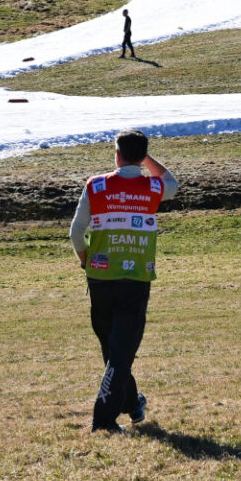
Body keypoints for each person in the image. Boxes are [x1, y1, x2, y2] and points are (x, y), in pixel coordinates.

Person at [72, 129, 175, 434]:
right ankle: (103, 421)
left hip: (100, 278)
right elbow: (173, 182)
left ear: (116, 154)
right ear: (142, 157)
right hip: (135, 278)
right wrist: (147, 160)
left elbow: (76, 233)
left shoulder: (97, 185)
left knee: (113, 349)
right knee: (120, 352)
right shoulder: (152, 186)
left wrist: (85, 261)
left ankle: (131, 402)